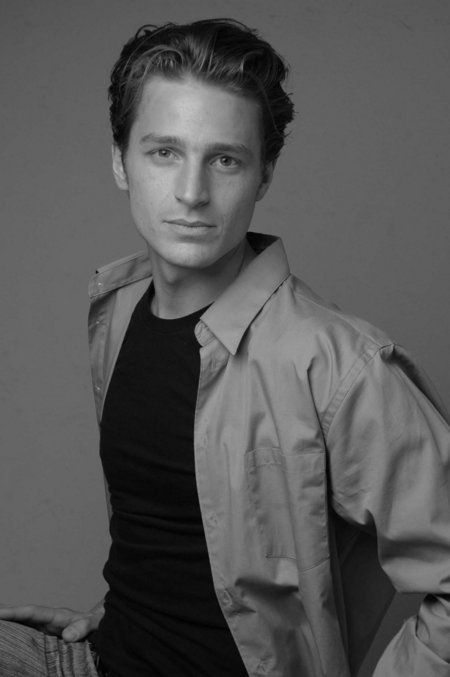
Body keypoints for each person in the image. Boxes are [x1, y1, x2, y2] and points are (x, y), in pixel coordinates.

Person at [0, 17, 449, 677]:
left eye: (225, 159)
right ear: (120, 161)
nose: (192, 192)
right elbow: (179, 536)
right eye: (164, 152)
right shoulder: (116, 308)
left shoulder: (339, 365)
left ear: (263, 175)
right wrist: (114, 611)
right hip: (100, 655)